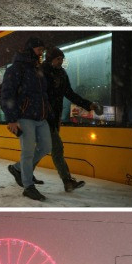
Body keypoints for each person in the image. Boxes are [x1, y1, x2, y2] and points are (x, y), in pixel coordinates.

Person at [42, 46, 103, 192]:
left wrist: (89, 104)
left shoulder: (62, 74)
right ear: (51, 58)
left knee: (43, 149)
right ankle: (67, 181)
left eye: (62, 59)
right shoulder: (41, 72)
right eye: (58, 59)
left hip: (54, 118)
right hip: (43, 117)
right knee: (57, 149)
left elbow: (69, 93)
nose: (61, 62)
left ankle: (19, 169)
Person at [0, 37, 51, 201]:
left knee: (45, 147)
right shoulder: (17, 68)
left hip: (41, 117)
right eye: (39, 49)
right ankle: (28, 186)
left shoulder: (37, 68)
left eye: (42, 50)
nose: (41, 52)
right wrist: (12, 119)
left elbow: (43, 94)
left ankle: (17, 168)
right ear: (30, 49)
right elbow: (7, 93)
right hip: (24, 117)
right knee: (28, 152)